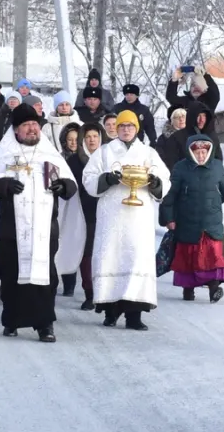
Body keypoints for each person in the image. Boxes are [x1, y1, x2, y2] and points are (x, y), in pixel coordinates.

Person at [0, 104, 78, 342]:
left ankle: (45, 325)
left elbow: (71, 185)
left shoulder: (49, 154)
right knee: (10, 275)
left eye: (34, 125)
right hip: (11, 230)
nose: (32, 129)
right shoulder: (5, 154)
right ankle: (11, 320)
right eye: (26, 125)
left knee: (46, 277)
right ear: (16, 130)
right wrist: (4, 186)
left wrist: (64, 186)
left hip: (44, 230)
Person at [82, 110, 171, 329]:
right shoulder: (103, 152)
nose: (126, 130)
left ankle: (134, 316)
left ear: (136, 129)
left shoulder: (148, 153)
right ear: (116, 129)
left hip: (138, 218)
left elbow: (165, 179)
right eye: (122, 126)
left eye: (130, 126)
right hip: (111, 216)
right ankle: (110, 312)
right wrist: (107, 179)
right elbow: (89, 178)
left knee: (135, 260)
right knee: (111, 258)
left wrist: (153, 181)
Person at [160, 133, 224, 303]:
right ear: (190, 152)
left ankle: (214, 288)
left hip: (211, 222)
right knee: (188, 258)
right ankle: (188, 290)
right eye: (197, 153)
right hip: (187, 221)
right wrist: (168, 218)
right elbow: (170, 195)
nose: (201, 156)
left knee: (214, 257)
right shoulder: (180, 168)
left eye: (204, 152)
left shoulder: (217, 167)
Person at [55, 123, 89, 298]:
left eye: (77, 140)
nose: (73, 143)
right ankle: (63, 279)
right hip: (63, 204)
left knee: (76, 240)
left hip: (82, 204)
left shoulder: (86, 159)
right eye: (70, 140)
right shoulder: (59, 159)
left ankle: (73, 282)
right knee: (62, 240)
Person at [73, 125, 105, 308]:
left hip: (106, 212)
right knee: (87, 253)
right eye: (88, 137)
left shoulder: (107, 159)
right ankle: (89, 291)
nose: (92, 140)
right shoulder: (75, 161)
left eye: (95, 136)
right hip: (84, 212)